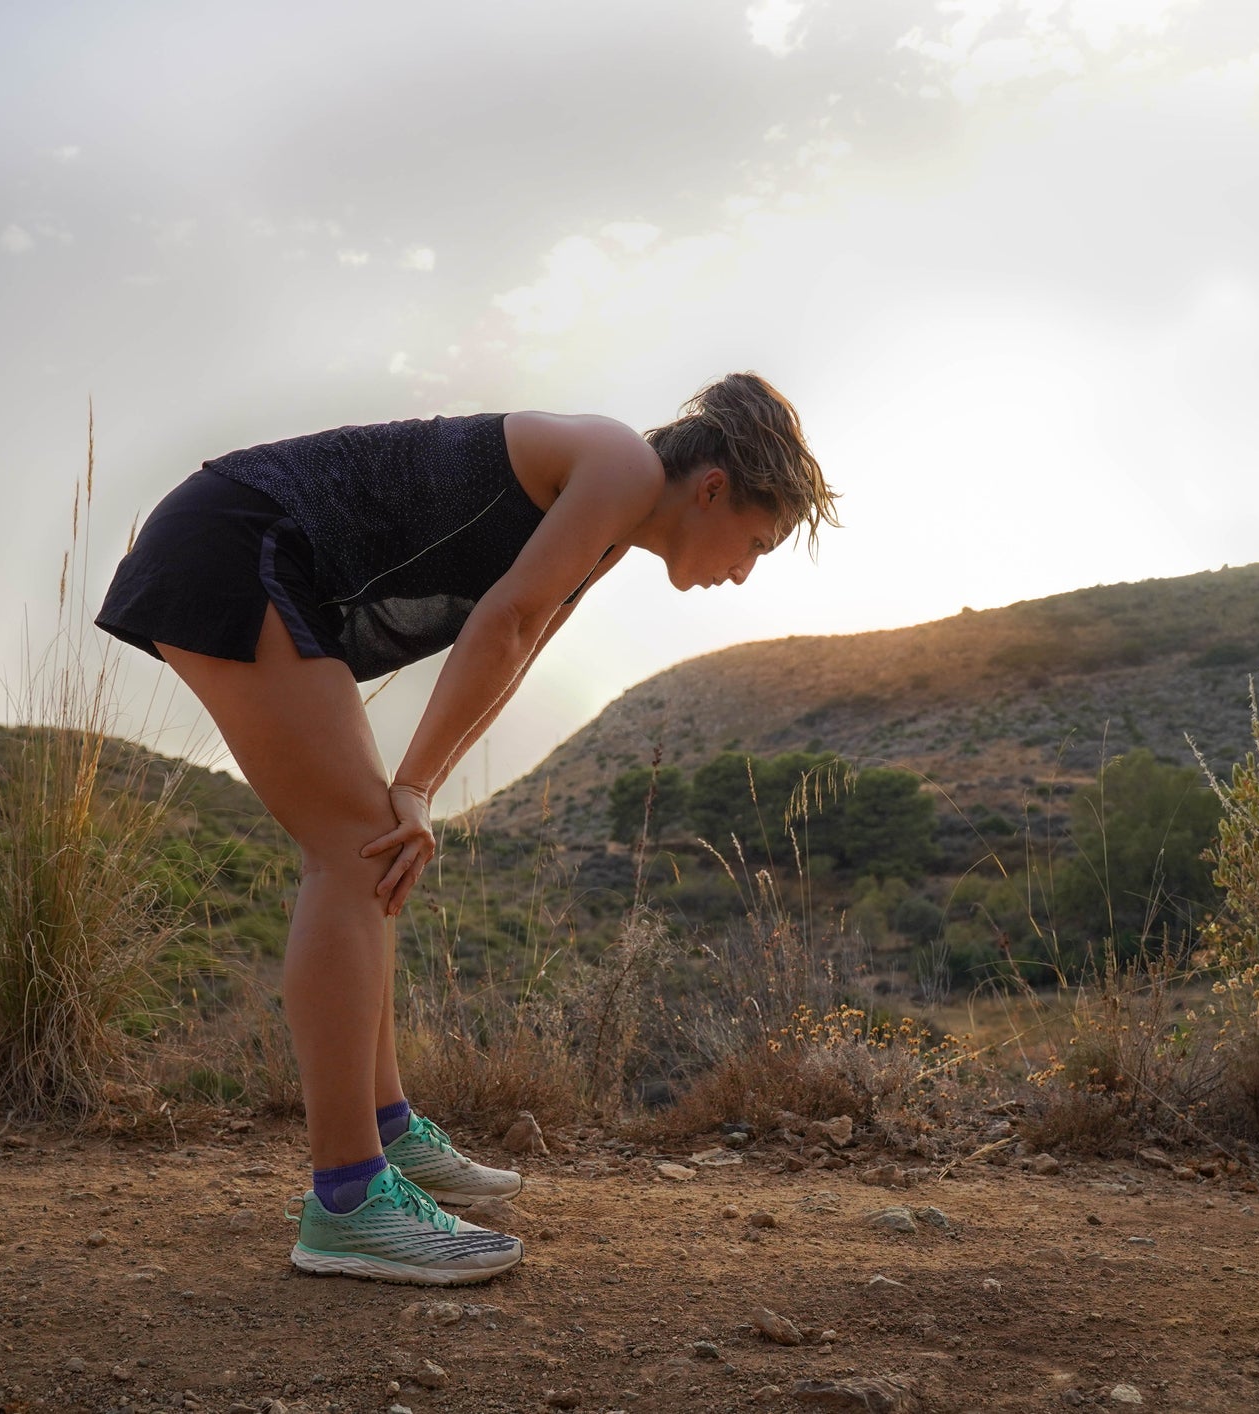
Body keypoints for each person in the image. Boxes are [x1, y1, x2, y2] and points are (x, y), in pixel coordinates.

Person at [95, 372, 837, 1285]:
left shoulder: (607, 520)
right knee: (355, 850)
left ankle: (388, 1136)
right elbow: (507, 616)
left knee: (371, 850)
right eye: (756, 543)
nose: (744, 569)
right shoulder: (619, 463)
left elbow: (515, 651)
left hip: (259, 548)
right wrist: (408, 787)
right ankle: (346, 1199)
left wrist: (420, 791)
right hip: (239, 536)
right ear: (714, 487)